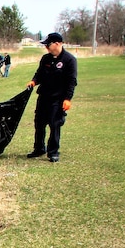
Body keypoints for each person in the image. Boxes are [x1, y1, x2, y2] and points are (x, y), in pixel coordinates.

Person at [26, 32, 78, 163]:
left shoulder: (69, 60)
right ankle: (39, 148)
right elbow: (39, 74)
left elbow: (71, 81)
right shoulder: (45, 59)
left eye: (48, 45)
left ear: (57, 44)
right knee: (39, 123)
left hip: (58, 99)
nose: (47, 48)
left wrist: (68, 99)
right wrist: (34, 81)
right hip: (43, 96)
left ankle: (53, 151)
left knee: (55, 125)